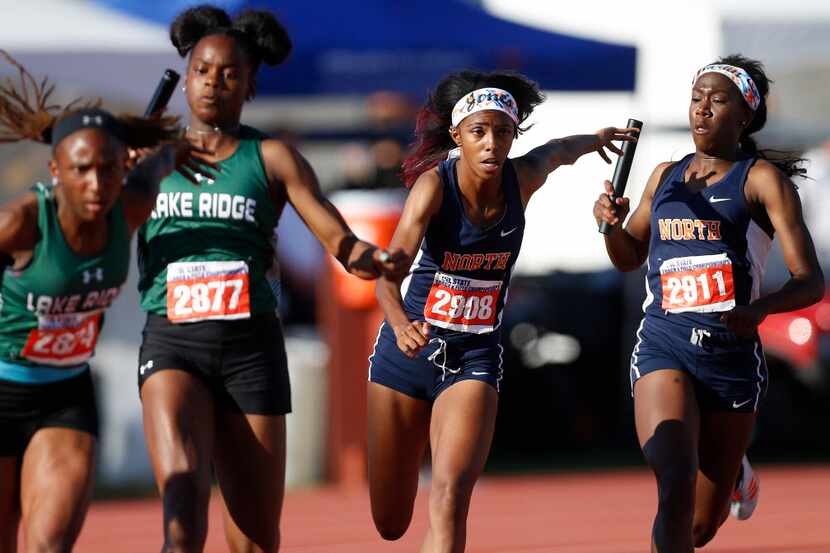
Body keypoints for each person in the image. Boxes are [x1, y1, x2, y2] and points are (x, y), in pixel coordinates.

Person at [135, 6, 408, 553]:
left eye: (230, 73)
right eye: (202, 70)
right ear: (185, 79)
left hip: (250, 351)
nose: (214, 82)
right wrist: (125, 172)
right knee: (182, 515)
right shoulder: (149, 157)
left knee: (256, 539)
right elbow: (89, 229)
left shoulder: (273, 156)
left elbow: (337, 238)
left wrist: (371, 258)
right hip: (173, 345)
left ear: (251, 84)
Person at [367, 69, 634, 552]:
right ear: (457, 136)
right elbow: (389, 271)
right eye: (479, 132)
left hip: (474, 355)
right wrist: (400, 323)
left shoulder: (522, 177)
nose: (492, 144)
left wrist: (594, 140)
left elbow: (555, 151)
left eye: (503, 132)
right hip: (407, 352)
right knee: (390, 520)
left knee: (449, 495)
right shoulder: (434, 187)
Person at [593, 55, 824, 552]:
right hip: (664, 345)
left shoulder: (762, 182)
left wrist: (757, 311)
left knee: (699, 527)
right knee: (674, 483)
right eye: (697, 99)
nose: (702, 111)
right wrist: (612, 225)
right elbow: (627, 258)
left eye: (717, 102)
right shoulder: (664, 176)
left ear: (745, 115)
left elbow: (810, 282)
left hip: (731, 357)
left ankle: (734, 472)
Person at [0, 51, 209, 553]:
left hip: (66, 394)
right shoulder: (21, 222)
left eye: (108, 169)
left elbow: (164, 158)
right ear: (56, 170)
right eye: (82, 171)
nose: (97, 186)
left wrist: (177, 144)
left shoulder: (131, 203)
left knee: (49, 544)